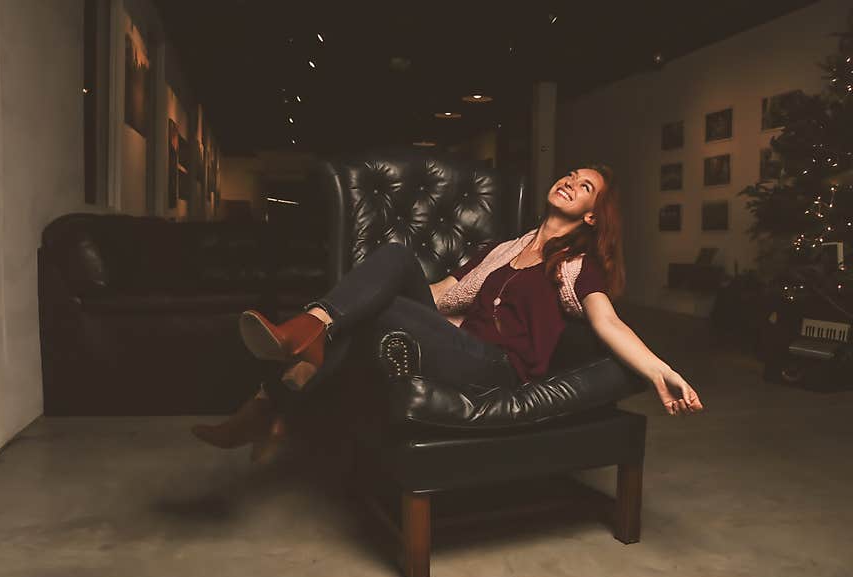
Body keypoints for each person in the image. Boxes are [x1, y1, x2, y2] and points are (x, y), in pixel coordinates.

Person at [191, 165, 704, 461]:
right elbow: (438, 297)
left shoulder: (576, 265)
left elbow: (607, 322)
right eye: (570, 174)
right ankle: (306, 343)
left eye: (585, 186)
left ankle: (275, 397)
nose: (570, 182)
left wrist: (661, 371)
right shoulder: (505, 248)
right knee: (392, 261)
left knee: (381, 297)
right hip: (457, 349)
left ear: (592, 215)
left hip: (495, 369)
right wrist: (366, 299)